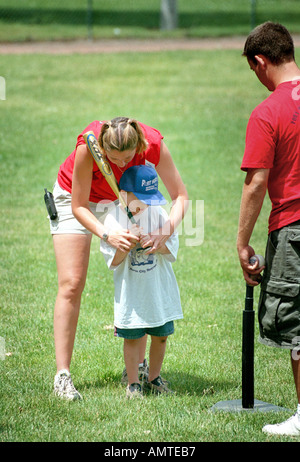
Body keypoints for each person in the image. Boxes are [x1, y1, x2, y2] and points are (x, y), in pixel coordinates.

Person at [49, 117, 188, 400]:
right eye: (115, 159)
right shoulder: (89, 146)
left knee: (140, 272)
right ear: (104, 147)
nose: (122, 164)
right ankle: (62, 375)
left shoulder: (153, 144)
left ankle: (136, 368)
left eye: (129, 158)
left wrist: (165, 230)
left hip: (120, 196)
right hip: (75, 199)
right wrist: (107, 234)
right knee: (71, 282)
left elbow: (181, 196)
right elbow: (78, 205)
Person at [237, 22, 300, 436]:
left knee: (298, 325)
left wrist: (242, 243)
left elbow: (257, 182)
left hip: (294, 226)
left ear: (260, 62)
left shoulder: (268, 112)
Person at [100, 165, 183, 399]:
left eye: (150, 200)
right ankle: (134, 383)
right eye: (140, 200)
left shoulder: (158, 214)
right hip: (132, 295)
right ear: (123, 195)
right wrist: (126, 244)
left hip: (158, 292)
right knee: (132, 338)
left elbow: (171, 250)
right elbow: (113, 262)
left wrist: (155, 241)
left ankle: (154, 377)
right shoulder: (114, 219)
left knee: (161, 336)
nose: (145, 205)